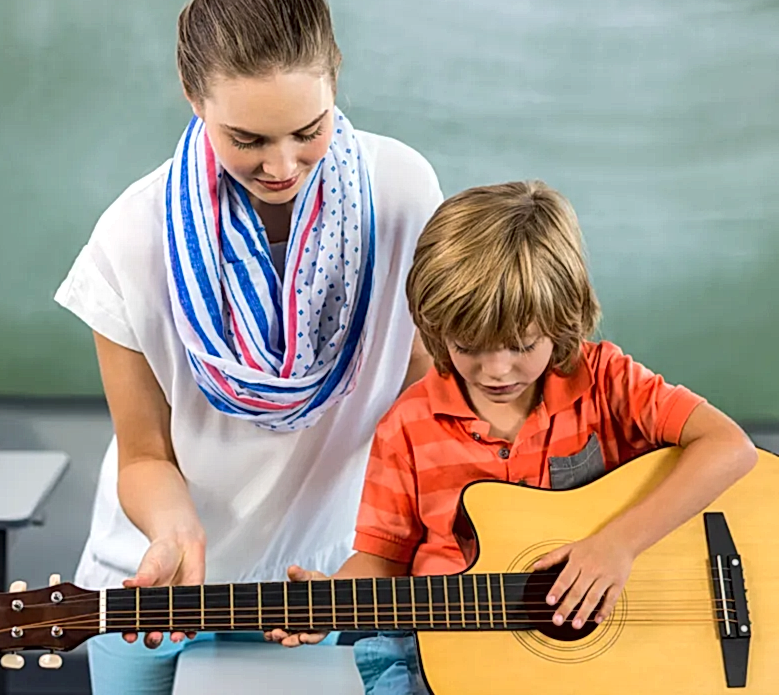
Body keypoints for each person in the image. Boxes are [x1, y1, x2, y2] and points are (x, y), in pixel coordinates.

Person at [53, 0, 444, 691]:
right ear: (192, 95)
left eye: (308, 129)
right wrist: (175, 532)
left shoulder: (403, 195)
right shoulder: (131, 238)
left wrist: (384, 555)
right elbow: (145, 454)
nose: (283, 166)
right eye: (248, 140)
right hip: (166, 588)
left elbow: (417, 404)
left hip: (327, 581)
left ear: (336, 78)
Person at [268, 180, 758, 694]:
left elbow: (729, 447)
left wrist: (618, 545)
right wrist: (332, 603)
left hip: (602, 659)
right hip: (446, 652)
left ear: (561, 319)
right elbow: (383, 558)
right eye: (469, 346)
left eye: (522, 345)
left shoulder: (607, 381)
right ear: (436, 329)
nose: (497, 370)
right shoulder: (407, 425)